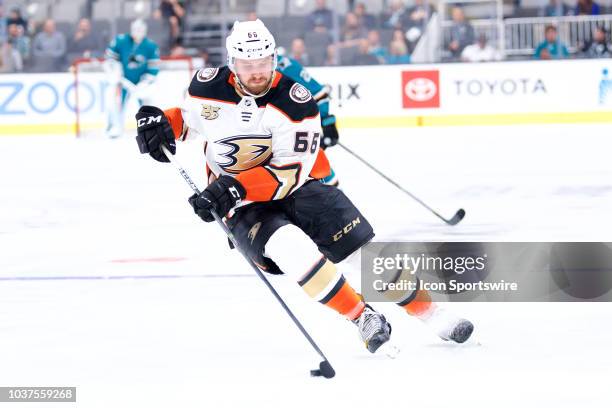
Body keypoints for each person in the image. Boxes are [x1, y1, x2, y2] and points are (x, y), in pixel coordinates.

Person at [135, 19, 474, 354]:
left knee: (362, 255)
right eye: (247, 64)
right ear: (231, 63)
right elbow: (189, 122)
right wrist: (162, 124)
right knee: (290, 247)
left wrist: (233, 187)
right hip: (240, 203)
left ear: (274, 59)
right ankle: (362, 317)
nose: (256, 72)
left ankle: (431, 312)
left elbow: (288, 175)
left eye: (263, 63)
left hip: (293, 187)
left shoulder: (295, 102)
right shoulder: (205, 87)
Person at [276, 46, 340, 185]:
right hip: (261, 136)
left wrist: (327, 123)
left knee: (314, 168)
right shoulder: (237, 71)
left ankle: (333, 197)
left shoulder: (284, 65)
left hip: (294, 131)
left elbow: (318, 93)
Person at [104, 19, 160, 138]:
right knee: (114, 101)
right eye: (135, 29)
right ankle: (116, 126)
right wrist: (115, 71)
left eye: (140, 30)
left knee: (146, 105)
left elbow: (153, 68)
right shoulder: (121, 40)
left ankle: (147, 129)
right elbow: (110, 57)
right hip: (123, 81)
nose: (137, 32)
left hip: (141, 83)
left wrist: (144, 83)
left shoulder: (151, 46)